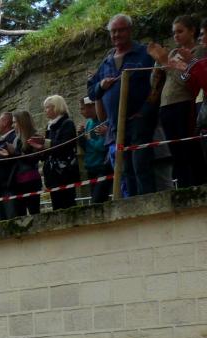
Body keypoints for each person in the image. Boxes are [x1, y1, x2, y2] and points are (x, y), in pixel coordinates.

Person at [88, 14, 156, 197]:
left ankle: (148, 205)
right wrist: (101, 86)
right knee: (125, 170)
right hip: (116, 126)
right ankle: (132, 206)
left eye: (121, 30)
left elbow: (158, 83)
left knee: (140, 165)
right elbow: (92, 91)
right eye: (113, 31)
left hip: (140, 121)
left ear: (130, 30)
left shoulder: (144, 54)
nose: (116, 35)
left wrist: (144, 112)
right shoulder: (106, 62)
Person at [151, 16, 207, 189]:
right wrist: (158, 64)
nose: (176, 36)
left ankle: (196, 186)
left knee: (189, 149)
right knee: (176, 152)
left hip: (185, 103)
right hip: (166, 106)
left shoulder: (199, 51)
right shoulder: (172, 54)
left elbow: (187, 81)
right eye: (174, 32)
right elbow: (155, 83)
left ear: (192, 31)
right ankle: (182, 188)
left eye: (180, 31)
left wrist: (165, 64)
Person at [41, 95, 80, 210]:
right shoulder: (49, 127)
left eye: (48, 107)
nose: (45, 110)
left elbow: (65, 145)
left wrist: (45, 143)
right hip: (52, 174)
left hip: (65, 172)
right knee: (56, 206)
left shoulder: (67, 123)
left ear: (56, 107)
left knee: (68, 204)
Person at [6, 110, 45, 215]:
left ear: (22, 122)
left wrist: (14, 152)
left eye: (15, 122)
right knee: (19, 214)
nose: (13, 125)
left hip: (30, 180)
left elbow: (32, 159)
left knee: (34, 212)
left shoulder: (34, 137)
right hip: (18, 181)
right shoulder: (17, 139)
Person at [80, 97, 114, 204]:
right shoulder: (89, 123)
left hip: (101, 166)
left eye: (83, 108)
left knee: (97, 200)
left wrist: (88, 139)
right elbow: (86, 147)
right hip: (91, 167)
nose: (81, 112)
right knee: (95, 201)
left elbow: (102, 146)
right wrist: (81, 137)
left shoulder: (102, 122)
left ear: (91, 107)